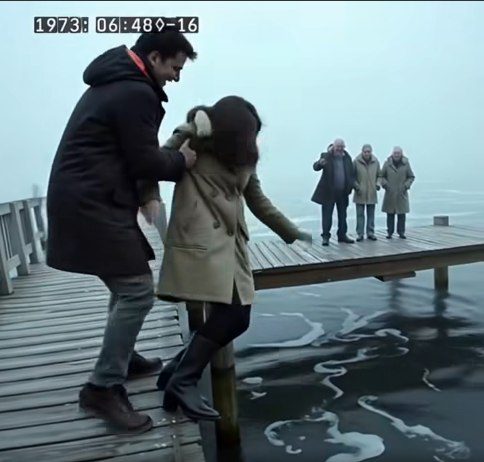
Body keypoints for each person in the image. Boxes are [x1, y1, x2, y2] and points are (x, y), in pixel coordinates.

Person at [46, 31, 198, 433]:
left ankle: (123, 357)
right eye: (175, 67)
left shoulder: (116, 82)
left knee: (125, 285)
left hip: (91, 199)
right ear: (155, 57)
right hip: (92, 204)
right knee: (136, 290)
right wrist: (181, 161)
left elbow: (130, 152)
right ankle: (102, 387)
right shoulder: (135, 92)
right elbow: (144, 159)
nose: (176, 77)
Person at [153, 96, 312, 421]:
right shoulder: (194, 139)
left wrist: (292, 231)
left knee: (237, 317)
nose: (253, 140)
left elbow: (257, 199)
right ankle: (183, 379)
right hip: (200, 242)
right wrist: (182, 144)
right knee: (234, 315)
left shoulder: (243, 157)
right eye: (249, 133)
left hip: (230, 243)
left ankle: (176, 374)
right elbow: (155, 164)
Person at [311, 139, 355, 246]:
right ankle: (325, 237)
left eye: (341, 147)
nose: (339, 149)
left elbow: (351, 173)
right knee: (327, 216)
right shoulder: (326, 156)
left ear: (344, 147)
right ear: (333, 147)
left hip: (343, 192)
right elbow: (315, 167)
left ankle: (342, 236)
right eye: (337, 146)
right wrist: (319, 163)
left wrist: (350, 186)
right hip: (328, 192)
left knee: (343, 216)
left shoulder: (347, 158)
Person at [380, 146, 415, 239]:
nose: (396, 155)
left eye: (398, 153)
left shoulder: (406, 164)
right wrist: (385, 185)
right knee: (390, 214)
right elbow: (381, 176)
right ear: (392, 153)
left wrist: (406, 186)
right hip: (390, 193)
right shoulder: (387, 164)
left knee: (401, 214)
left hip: (401, 193)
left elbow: (411, 177)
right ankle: (389, 232)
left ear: (401, 154)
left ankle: (401, 232)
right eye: (395, 153)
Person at [352, 144, 381, 241]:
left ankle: (370, 233)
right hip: (360, 192)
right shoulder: (356, 162)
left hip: (372, 192)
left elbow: (380, 175)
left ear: (371, 152)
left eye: (369, 152)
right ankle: (360, 234)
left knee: (371, 215)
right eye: (365, 152)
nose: (367, 153)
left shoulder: (376, 162)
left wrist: (378, 184)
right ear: (362, 152)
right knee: (360, 215)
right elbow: (352, 176)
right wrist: (357, 186)